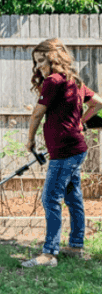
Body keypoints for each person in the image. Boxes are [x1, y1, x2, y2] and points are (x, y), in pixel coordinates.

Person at [22, 38, 102, 268]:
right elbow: (98, 103)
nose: (38, 67)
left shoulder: (53, 81)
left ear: (53, 57)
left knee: (50, 198)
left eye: (41, 60)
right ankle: (76, 246)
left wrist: (30, 142)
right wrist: (81, 123)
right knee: (73, 197)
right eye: (36, 62)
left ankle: (49, 254)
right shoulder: (72, 81)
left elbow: (37, 114)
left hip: (65, 151)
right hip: (75, 148)